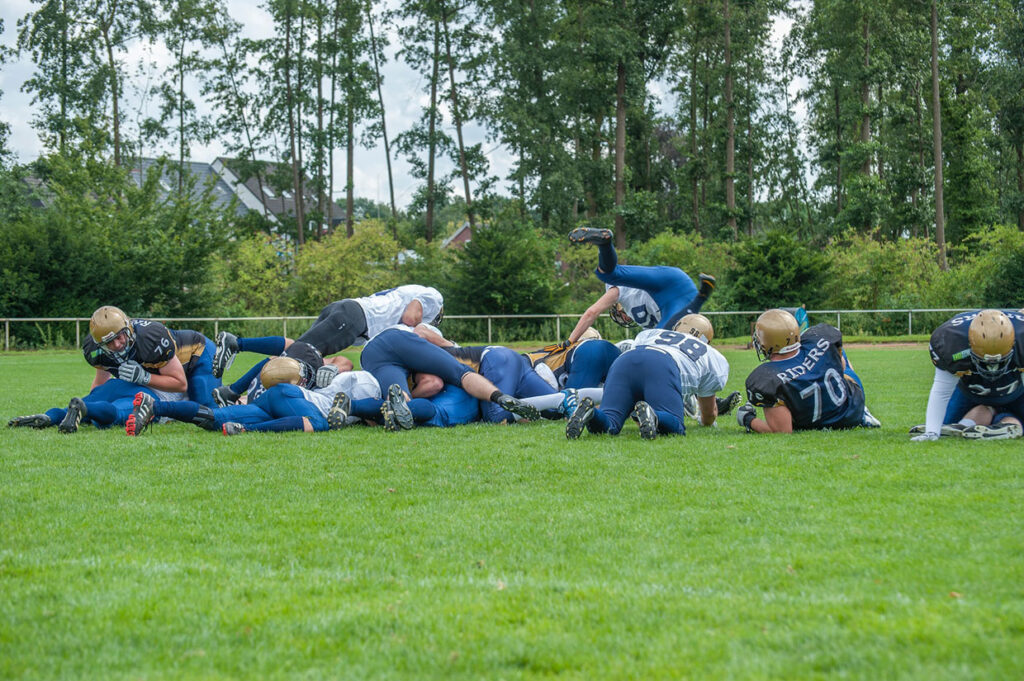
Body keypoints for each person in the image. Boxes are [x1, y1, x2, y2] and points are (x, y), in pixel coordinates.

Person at [7, 306, 219, 433]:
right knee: (111, 407)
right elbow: (100, 384)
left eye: (120, 337)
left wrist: (144, 377)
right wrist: (93, 398)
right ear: (99, 344)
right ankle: (54, 416)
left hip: (195, 355)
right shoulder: (96, 351)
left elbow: (180, 383)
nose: (117, 345)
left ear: (128, 328)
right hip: (145, 387)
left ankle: (59, 415)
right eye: (110, 342)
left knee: (208, 408)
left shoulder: (150, 338)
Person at [212, 284, 444, 378]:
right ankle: (235, 355)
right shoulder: (433, 297)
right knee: (300, 355)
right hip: (356, 317)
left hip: (349, 312)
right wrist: (417, 336)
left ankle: (238, 351)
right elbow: (410, 317)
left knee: (296, 350)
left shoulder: (404, 293)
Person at [564, 314, 731, 440]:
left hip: (625, 361)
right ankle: (656, 415)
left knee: (610, 423)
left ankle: (591, 412)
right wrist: (707, 421)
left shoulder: (654, 333)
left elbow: (640, 358)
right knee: (675, 425)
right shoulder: (712, 356)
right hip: (662, 365)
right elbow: (709, 414)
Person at [128, 356, 382, 436]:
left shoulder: (355, 380)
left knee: (214, 419)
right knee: (319, 424)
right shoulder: (368, 383)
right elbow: (367, 408)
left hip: (278, 399)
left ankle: (156, 407)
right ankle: (248, 430)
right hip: (292, 398)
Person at [358, 323, 541, 431]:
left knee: (401, 400)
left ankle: (392, 409)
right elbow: (434, 382)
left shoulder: (385, 350)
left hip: (369, 355)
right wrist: (450, 345)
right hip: (398, 339)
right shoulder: (420, 335)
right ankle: (499, 397)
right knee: (460, 374)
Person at [736, 309, 880, 434]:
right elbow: (841, 368)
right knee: (836, 353)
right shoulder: (821, 338)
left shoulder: (766, 378)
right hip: (852, 410)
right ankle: (864, 414)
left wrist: (748, 420)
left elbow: (782, 431)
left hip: (812, 422)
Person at [564, 226, 715, 343]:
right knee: (665, 336)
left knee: (659, 340)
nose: (623, 316)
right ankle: (605, 243)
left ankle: (700, 299)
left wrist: (569, 341)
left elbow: (592, 312)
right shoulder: (645, 325)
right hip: (676, 287)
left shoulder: (618, 293)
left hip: (667, 287)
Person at [909, 309, 1024, 441]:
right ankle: (981, 423)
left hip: (1014, 389)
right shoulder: (952, 342)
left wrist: (932, 431)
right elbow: (942, 389)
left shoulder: (1022, 341)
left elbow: (942, 392)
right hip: (970, 389)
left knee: (1015, 413)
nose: (992, 368)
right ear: (969, 344)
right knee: (946, 420)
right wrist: (932, 432)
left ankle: (980, 423)